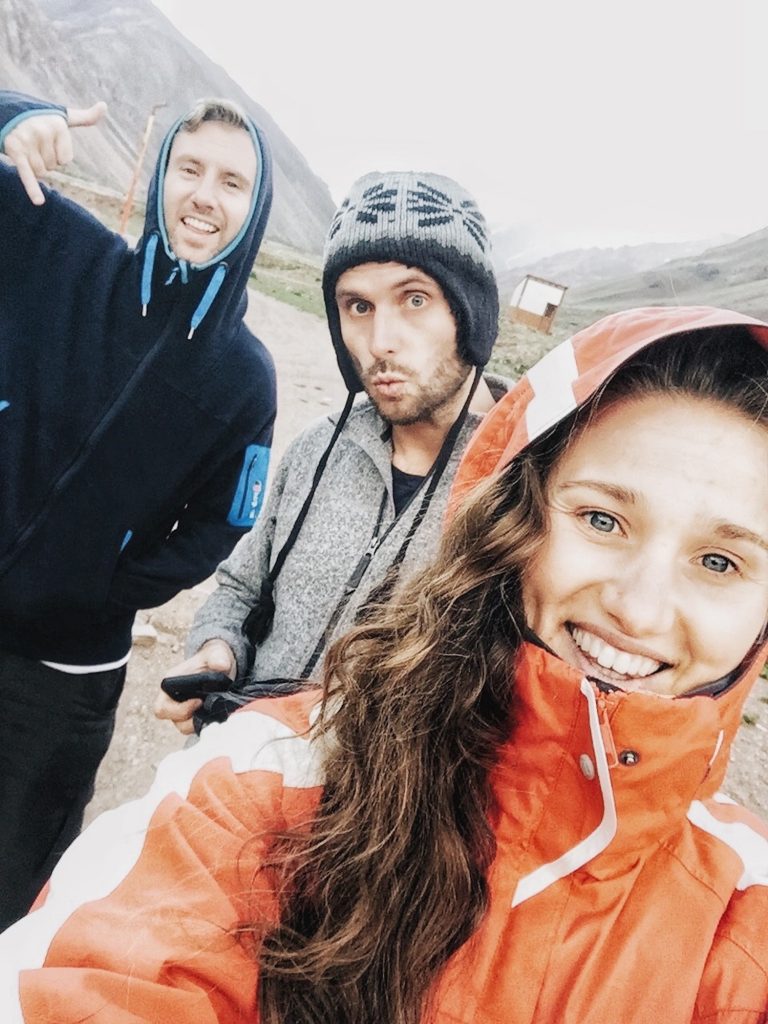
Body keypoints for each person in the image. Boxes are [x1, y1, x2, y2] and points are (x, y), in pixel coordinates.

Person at [1, 304, 767, 1024]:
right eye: (602, 519)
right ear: (511, 521)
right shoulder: (270, 779)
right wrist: (222, 641)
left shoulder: (743, 907)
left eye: (721, 562)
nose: (639, 608)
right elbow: (89, 978)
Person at [0, 90, 276, 929]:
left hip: (63, 677)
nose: (204, 194)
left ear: (254, 210)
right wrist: (17, 117)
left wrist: (105, 583)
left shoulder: (245, 376)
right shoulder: (58, 247)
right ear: (158, 177)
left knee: (13, 888)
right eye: (189, 168)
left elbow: (226, 520)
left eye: (231, 181)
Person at [154, 170, 509, 734]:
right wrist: (216, 651)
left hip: (371, 815)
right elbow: (241, 590)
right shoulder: (320, 448)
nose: (380, 341)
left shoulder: (521, 490)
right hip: (235, 775)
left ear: (471, 312)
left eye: (414, 299)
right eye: (357, 306)